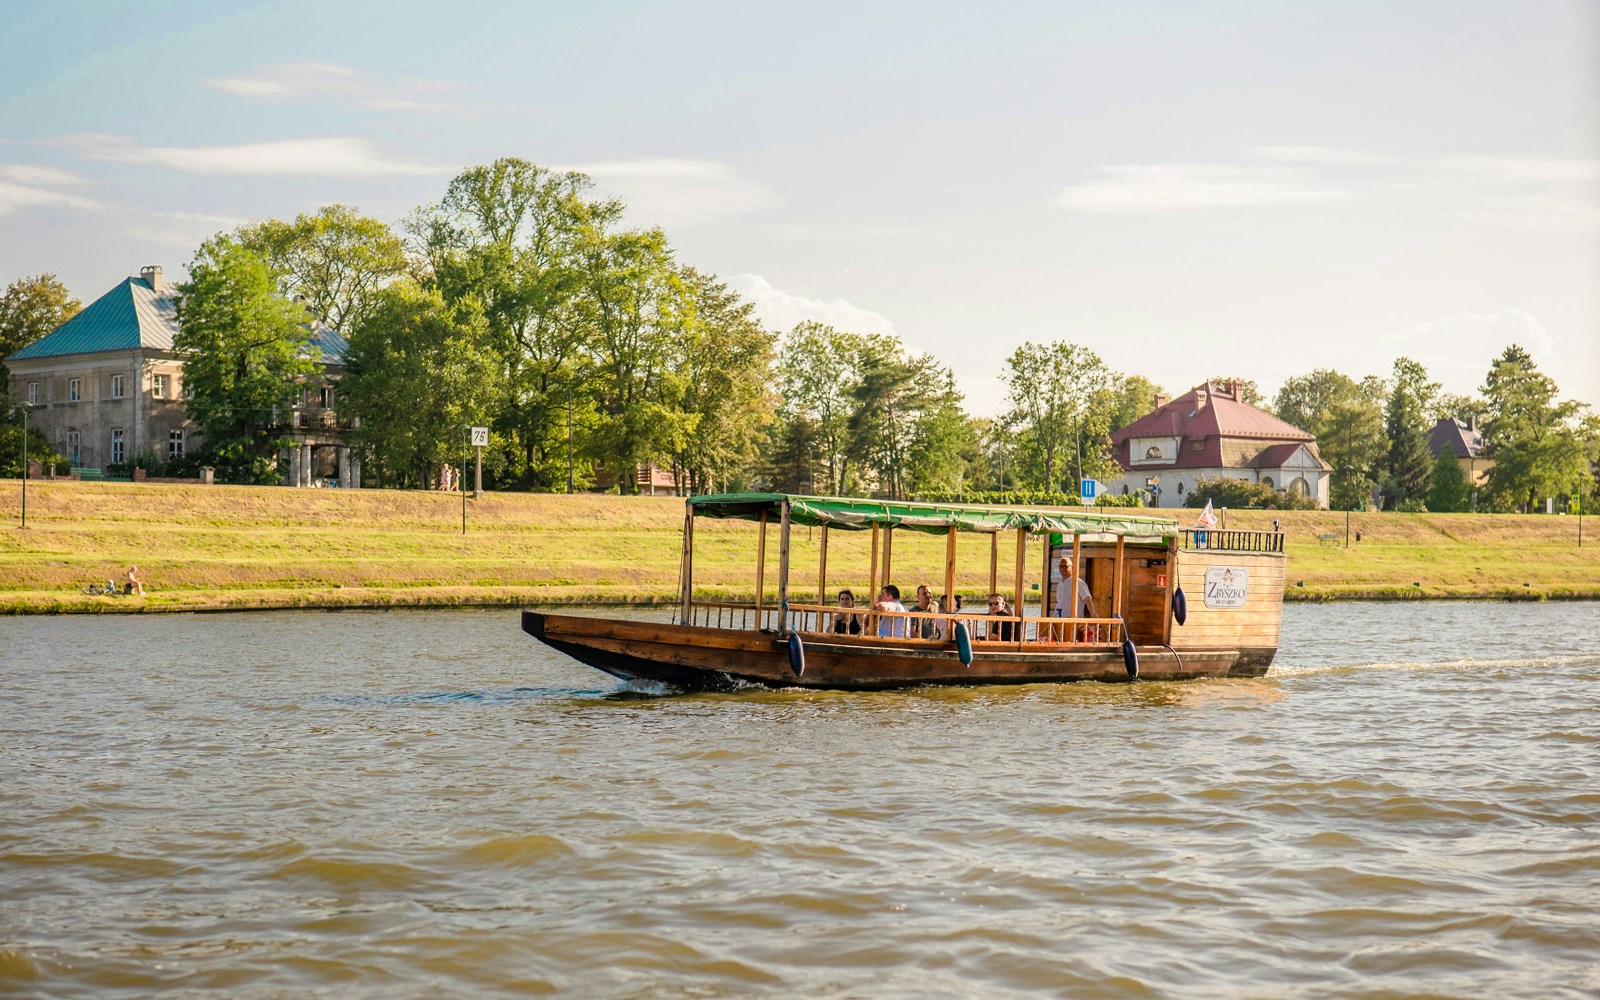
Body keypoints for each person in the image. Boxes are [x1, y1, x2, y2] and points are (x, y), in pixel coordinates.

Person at [1055, 556, 1094, 641]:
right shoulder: (1059, 585)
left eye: (1066, 566)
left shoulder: (1078, 582)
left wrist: (1093, 614)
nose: (1063, 568)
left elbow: (1087, 598)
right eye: (1061, 566)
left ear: (1072, 567)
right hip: (1059, 621)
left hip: (1073, 622)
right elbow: (1059, 603)